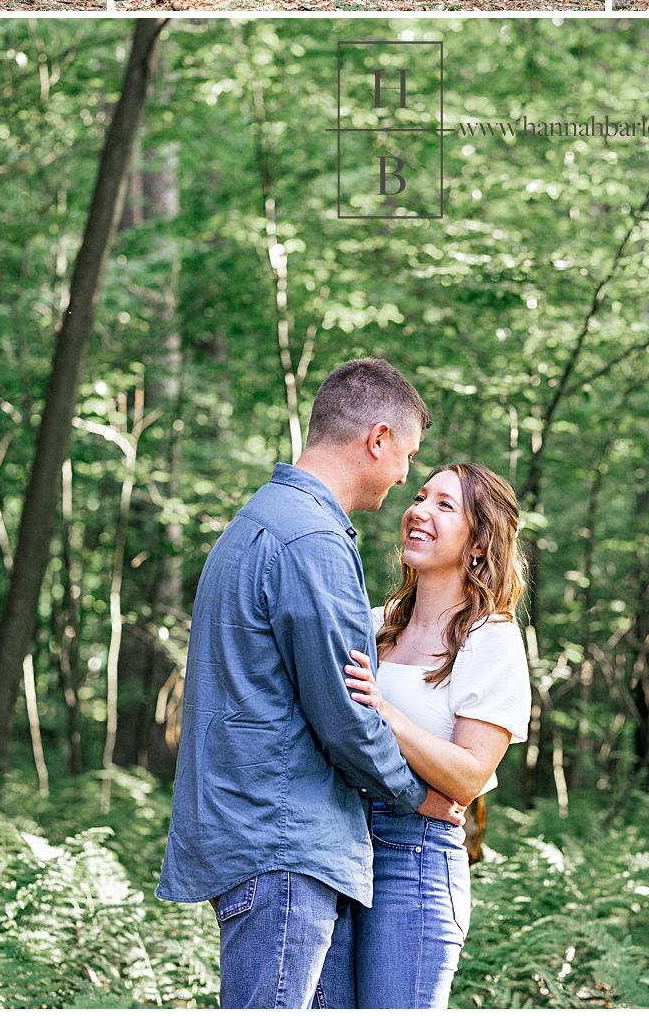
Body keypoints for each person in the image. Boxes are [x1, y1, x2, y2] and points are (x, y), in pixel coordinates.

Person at [156, 358, 466, 1009]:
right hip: (286, 848)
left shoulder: (258, 522)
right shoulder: (313, 541)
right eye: (407, 455)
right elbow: (347, 714)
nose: (407, 474)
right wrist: (419, 797)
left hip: (271, 844)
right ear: (376, 439)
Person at [319, 463, 530, 1010]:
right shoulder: (371, 622)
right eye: (420, 495)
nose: (419, 510)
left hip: (413, 859)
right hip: (335, 841)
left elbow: (468, 776)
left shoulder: (492, 639)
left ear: (479, 542)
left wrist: (384, 709)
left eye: (444, 505)